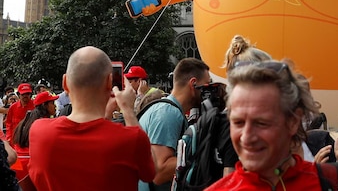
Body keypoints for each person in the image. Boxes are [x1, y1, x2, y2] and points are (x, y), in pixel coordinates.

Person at [206, 59, 338, 190]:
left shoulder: (335, 183)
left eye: (261, 123)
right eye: (238, 123)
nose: (246, 137)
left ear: (293, 122)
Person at [28, 46, 154, 190]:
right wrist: (128, 110)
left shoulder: (38, 131)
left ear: (65, 82)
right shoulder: (132, 138)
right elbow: (150, 174)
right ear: (109, 82)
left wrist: (105, 115)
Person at [139, 58, 211, 191]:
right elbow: (159, 171)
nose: (209, 92)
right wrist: (203, 155)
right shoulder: (168, 113)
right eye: (206, 86)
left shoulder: (169, 110)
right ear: (193, 84)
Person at [10, 91, 57, 179]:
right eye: (52, 103)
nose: (55, 106)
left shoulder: (28, 119)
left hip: (18, 166)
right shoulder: (44, 124)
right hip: (30, 165)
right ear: (44, 105)